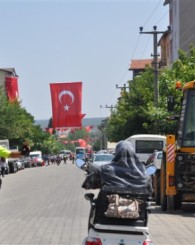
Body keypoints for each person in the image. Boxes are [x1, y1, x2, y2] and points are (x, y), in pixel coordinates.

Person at [82, 140, 152, 193]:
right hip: (139, 208)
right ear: (133, 153)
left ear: (117, 153)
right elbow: (150, 191)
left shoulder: (106, 169)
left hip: (106, 208)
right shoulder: (143, 171)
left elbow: (88, 184)